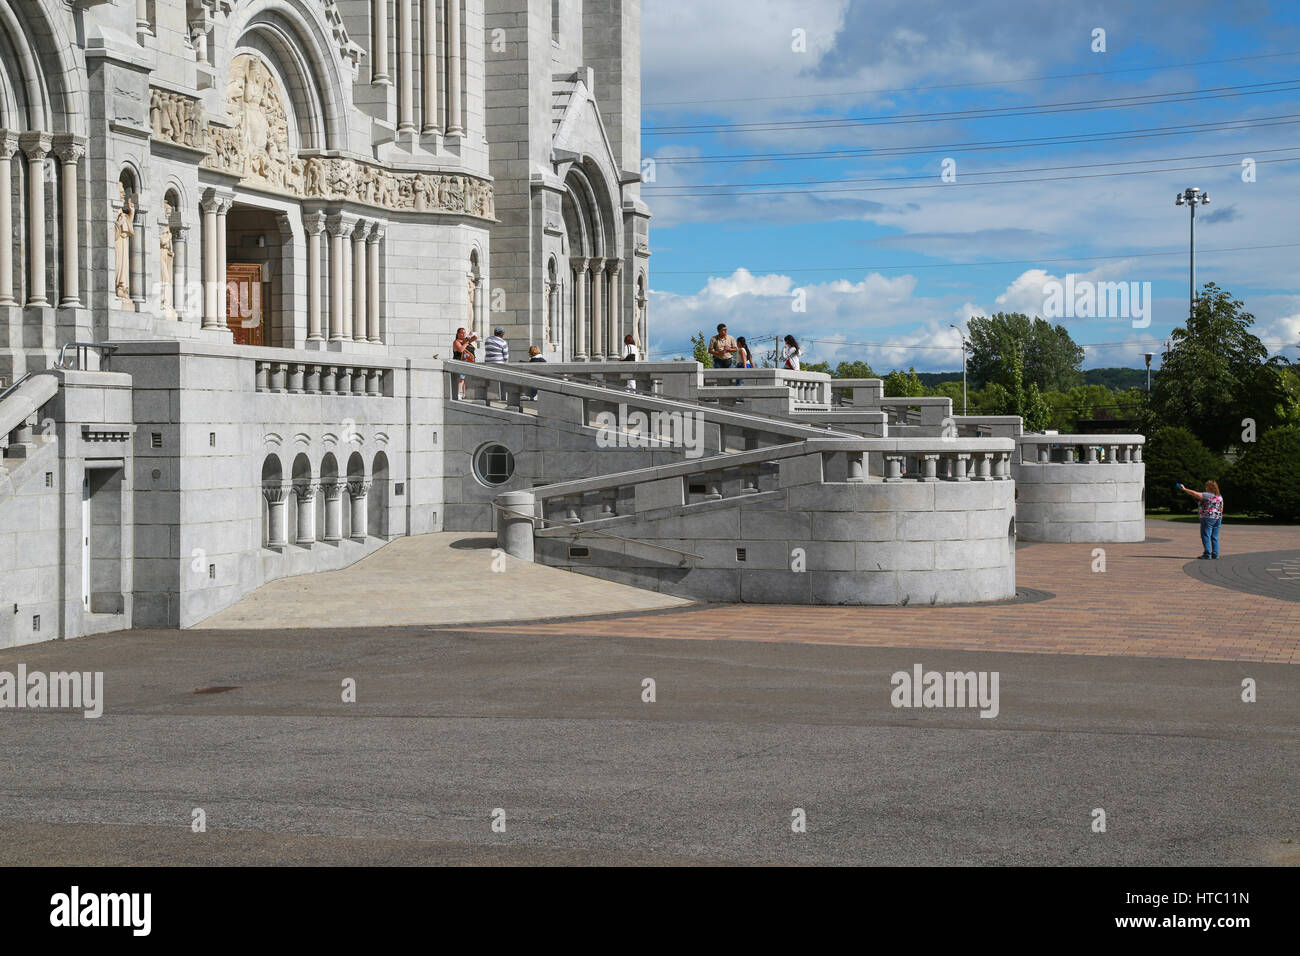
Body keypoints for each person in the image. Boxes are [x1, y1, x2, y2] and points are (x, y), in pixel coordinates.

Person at [1177, 479, 1223, 559]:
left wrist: (1184, 489)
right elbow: (1221, 507)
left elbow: (1194, 493)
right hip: (1218, 517)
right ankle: (1215, 553)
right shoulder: (1219, 496)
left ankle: (1207, 554)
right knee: (1214, 536)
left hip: (1208, 517)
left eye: (1206, 486)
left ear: (1209, 487)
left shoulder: (1207, 495)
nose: (1205, 488)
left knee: (1205, 535)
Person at [451, 327, 478, 399]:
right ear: (458, 334)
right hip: (459, 362)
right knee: (461, 379)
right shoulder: (456, 342)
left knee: (464, 379)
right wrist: (466, 342)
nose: (463, 334)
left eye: (464, 333)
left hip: (467, 362)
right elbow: (460, 350)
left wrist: (470, 335)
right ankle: (458, 394)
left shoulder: (466, 340)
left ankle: (464, 394)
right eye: (461, 333)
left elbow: (475, 337)